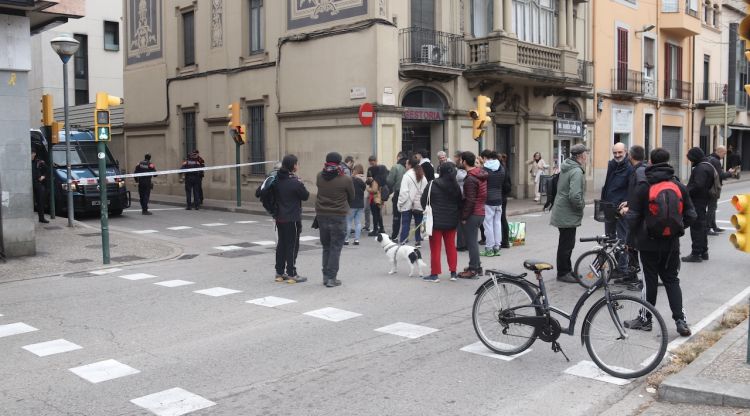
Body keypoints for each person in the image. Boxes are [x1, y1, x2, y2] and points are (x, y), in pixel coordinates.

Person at [621, 148, 696, 337]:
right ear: (669, 160)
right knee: (672, 280)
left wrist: (632, 229)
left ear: (650, 162)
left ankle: (646, 319)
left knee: (650, 281)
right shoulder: (678, 185)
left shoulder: (644, 185)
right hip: (671, 243)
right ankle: (681, 320)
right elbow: (691, 215)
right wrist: (676, 230)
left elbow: (633, 218)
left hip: (648, 244)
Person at [550, 144, 588, 283]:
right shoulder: (576, 171)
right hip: (567, 212)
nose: (586, 157)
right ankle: (563, 272)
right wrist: (581, 206)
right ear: (581, 155)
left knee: (566, 243)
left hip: (562, 209)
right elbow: (574, 196)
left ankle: (567, 269)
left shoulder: (567, 166)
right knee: (567, 244)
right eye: (586, 154)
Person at [316, 152, 355, 288]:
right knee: (335, 247)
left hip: (322, 215)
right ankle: (332, 278)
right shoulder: (346, 179)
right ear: (339, 164)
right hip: (338, 215)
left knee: (326, 247)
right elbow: (352, 196)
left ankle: (325, 276)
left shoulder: (319, 176)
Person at [421, 162, 461, 282]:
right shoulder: (456, 186)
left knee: (435, 248)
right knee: (451, 247)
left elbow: (424, 201)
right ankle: (453, 272)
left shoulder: (432, 184)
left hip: (435, 221)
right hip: (452, 221)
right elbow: (460, 203)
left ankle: (435, 274)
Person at [274, 155, 310, 284]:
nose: (298, 166)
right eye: (297, 163)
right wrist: (301, 183)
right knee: (292, 245)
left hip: (279, 217)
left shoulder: (277, 179)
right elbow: (305, 196)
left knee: (281, 244)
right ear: (293, 165)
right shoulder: (295, 182)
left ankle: (279, 272)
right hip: (292, 218)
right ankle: (291, 273)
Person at [600, 142, 634, 279]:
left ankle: (623, 268)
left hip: (621, 209)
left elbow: (632, 189)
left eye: (620, 152)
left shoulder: (630, 168)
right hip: (609, 206)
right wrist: (603, 202)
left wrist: (627, 204)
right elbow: (607, 185)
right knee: (610, 238)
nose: (617, 155)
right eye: (615, 153)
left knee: (622, 239)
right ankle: (617, 264)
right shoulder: (611, 165)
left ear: (625, 152)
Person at [616, 145, 647, 288]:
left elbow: (642, 193)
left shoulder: (640, 171)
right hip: (634, 213)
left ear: (630, 156)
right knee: (630, 245)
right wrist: (629, 201)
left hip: (637, 216)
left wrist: (630, 207)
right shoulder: (638, 170)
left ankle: (635, 279)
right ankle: (631, 275)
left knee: (633, 246)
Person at [458, 151, 488, 279]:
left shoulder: (470, 178)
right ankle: (476, 266)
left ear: (464, 162)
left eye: (461, 160)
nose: (460, 162)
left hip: (473, 213)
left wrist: (464, 217)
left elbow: (470, 200)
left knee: (471, 243)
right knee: (473, 241)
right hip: (480, 211)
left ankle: (474, 269)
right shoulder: (479, 173)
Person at [682, 147, 715, 263]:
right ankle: (704, 251)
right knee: (701, 226)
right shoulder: (707, 165)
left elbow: (698, 185)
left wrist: (685, 191)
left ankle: (696, 254)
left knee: (696, 227)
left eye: (691, 158)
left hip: (697, 201)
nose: (690, 161)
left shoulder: (701, 168)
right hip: (703, 200)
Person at [398, 157, 428, 248]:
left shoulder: (407, 176)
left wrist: (400, 203)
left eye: (407, 164)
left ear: (410, 165)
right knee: (418, 222)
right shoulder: (422, 175)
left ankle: (403, 241)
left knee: (405, 223)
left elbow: (404, 192)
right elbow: (425, 189)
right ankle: (418, 241)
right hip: (419, 203)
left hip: (408, 203)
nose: (405, 165)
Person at [480, 150, 505, 257]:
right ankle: (496, 247)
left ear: (486, 157)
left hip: (488, 200)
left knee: (488, 225)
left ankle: (489, 248)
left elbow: (481, 183)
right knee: (497, 223)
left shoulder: (484, 169)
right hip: (499, 198)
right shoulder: (501, 168)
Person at [706, 146, 736, 234]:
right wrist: (729, 173)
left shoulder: (709, 158)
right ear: (719, 152)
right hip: (713, 187)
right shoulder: (716, 161)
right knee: (712, 208)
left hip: (709, 187)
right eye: (724, 153)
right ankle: (707, 228)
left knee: (712, 207)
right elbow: (720, 175)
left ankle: (713, 226)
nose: (724, 155)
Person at [386, 152, 407, 240]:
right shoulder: (409, 167)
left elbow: (389, 181)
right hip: (408, 194)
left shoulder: (396, 167)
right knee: (406, 216)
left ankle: (395, 235)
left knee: (396, 216)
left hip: (398, 193)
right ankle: (405, 235)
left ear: (398, 157)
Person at [346, 164, 366, 246]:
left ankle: (346, 240)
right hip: (360, 204)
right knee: (358, 223)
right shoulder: (363, 180)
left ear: (355, 170)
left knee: (348, 222)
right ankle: (357, 240)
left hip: (352, 204)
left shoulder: (351, 180)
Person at [453, 150, 468, 251]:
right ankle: (466, 243)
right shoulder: (469, 174)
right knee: (466, 223)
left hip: (460, 199)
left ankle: (461, 245)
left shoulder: (457, 174)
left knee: (460, 223)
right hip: (467, 199)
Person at [366, 165, 386, 237]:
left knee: (375, 215)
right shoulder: (382, 178)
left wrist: (368, 189)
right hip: (380, 199)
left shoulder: (376, 179)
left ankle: (375, 230)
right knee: (379, 214)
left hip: (374, 199)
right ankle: (381, 228)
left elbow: (374, 190)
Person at [31, 150, 49, 223]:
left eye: (31, 153)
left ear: (34, 153)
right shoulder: (25, 161)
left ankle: (41, 218)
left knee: (40, 201)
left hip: (37, 183)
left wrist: (43, 176)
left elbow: (47, 170)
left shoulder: (39, 162)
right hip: (28, 183)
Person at [499, 153, 512, 249]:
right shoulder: (504, 168)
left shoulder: (501, 170)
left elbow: (507, 185)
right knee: (502, 218)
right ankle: (505, 240)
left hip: (501, 196)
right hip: (503, 196)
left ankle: (505, 241)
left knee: (502, 218)